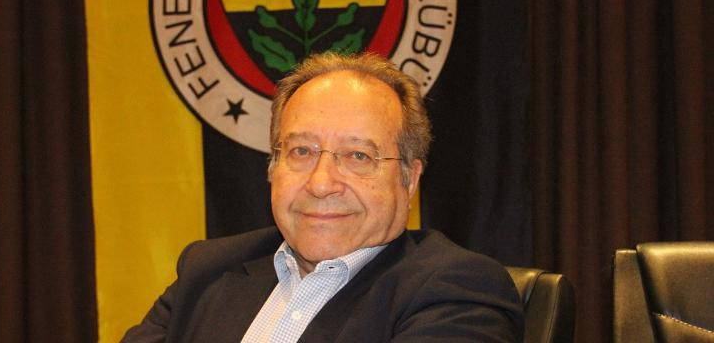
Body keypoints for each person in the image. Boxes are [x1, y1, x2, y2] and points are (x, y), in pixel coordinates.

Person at [122, 52, 524, 342]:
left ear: (409, 178)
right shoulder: (207, 270)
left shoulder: (457, 291)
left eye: (358, 156)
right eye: (301, 151)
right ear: (273, 165)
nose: (321, 183)